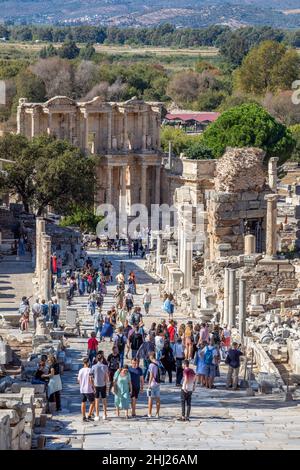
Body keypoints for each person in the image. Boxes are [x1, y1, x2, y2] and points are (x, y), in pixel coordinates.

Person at [90, 353, 109, 421]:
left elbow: (91, 377)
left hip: (96, 385)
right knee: (104, 400)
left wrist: (92, 386)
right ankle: (105, 414)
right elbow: (106, 377)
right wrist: (107, 385)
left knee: (97, 400)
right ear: (102, 359)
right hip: (103, 384)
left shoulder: (93, 367)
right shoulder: (105, 366)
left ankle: (97, 415)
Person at [77, 358, 95, 422]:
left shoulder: (80, 370)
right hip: (89, 389)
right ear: (88, 363)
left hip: (82, 389)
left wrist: (81, 385)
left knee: (83, 402)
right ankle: (89, 415)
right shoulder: (90, 370)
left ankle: (83, 416)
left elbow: (78, 380)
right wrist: (93, 387)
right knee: (93, 402)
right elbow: (91, 379)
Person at [147, 352, 161, 419]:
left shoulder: (151, 365)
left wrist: (149, 384)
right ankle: (157, 413)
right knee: (158, 399)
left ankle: (149, 413)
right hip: (158, 383)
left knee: (150, 399)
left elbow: (151, 375)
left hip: (152, 383)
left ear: (151, 357)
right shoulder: (158, 362)